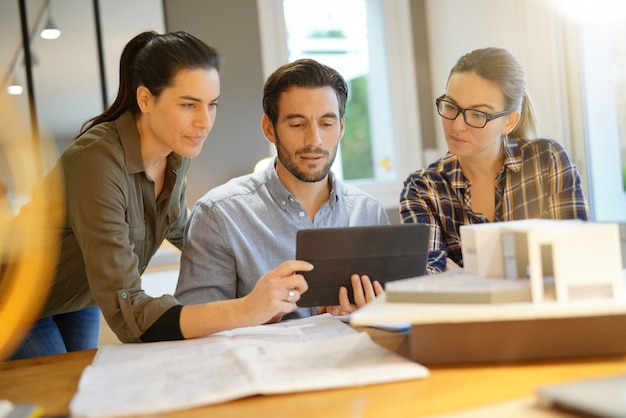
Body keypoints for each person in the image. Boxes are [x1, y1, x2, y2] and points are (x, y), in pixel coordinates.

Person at [8, 31, 313, 360]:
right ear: (145, 99)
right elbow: (131, 315)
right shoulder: (95, 161)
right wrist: (243, 309)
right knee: (54, 400)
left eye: (211, 105)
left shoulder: (175, 154)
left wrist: (260, 273)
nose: (204, 121)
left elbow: (187, 230)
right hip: (18, 294)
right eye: (188, 105)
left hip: (77, 295)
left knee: (80, 383)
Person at [175, 58, 389, 318]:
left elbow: (392, 322)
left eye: (326, 123)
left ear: (342, 127)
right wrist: (261, 314)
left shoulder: (369, 213)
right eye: (297, 124)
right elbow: (195, 329)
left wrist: (365, 316)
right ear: (269, 128)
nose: (314, 140)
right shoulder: (219, 215)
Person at [399, 47, 590, 275]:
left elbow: (576, 257)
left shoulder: (546, 160)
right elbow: (428, 279)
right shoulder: (423, 187)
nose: (457, 125)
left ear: (509, 122)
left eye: (478, 114)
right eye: (451, 106)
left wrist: (461, 274)